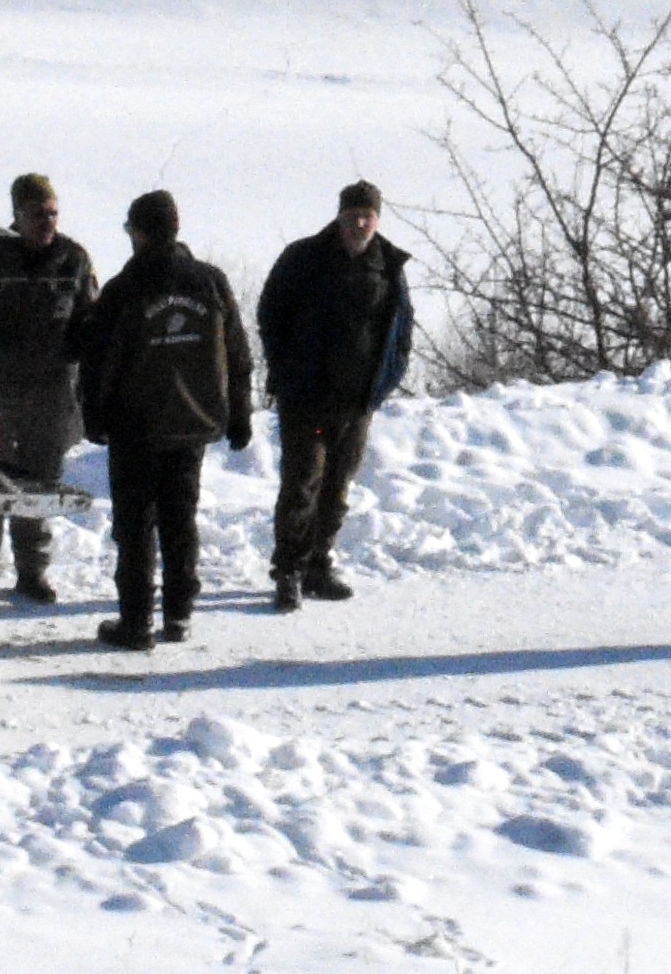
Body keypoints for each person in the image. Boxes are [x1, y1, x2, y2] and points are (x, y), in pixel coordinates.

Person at [74, 189, 251, 649]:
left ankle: (135, 623)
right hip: (193, 423)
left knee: (135, 527)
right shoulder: (210, 281)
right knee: (180, 520)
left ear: (138, 232)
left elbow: (97, 359)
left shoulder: (123, 289)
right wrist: (239, 413)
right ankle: (179, 615)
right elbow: (237, 353)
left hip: (136, 428)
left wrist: (93, 415)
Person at [253, 180, 415, 610]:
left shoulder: (388, 266)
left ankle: (318, 566)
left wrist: (385, 382)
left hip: (356, 402)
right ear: (339, 216)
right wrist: (286, 370)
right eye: (352, 216)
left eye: (367, 216)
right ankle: (288, 569)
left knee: (337, 490)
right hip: (305, 398)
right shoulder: (304, 258)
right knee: (301, 485)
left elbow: (401, 332)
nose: (359, 224)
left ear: (377, 220)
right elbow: (270, 313)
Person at [0, 174, 99, 606]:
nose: (45, 222)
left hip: (53, 398)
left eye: (51, 213)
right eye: (35, 214)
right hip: (0, 393)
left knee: (38, 492)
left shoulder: (74, 260)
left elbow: (94, 324)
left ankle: (33, 574)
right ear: (16, 216)